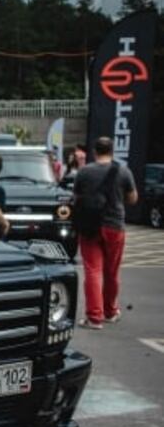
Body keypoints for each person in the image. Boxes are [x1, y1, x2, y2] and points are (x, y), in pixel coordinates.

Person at [73, 136, 138, 329]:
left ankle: (94, 318)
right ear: (111, 152)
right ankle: (110, 312)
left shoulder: (84, 172)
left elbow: (76, 197)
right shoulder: (123, 171)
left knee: (93, 271)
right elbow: (133, 198)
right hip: (115, 226)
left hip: (89, 226)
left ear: (95, 151)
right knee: (112, 272)